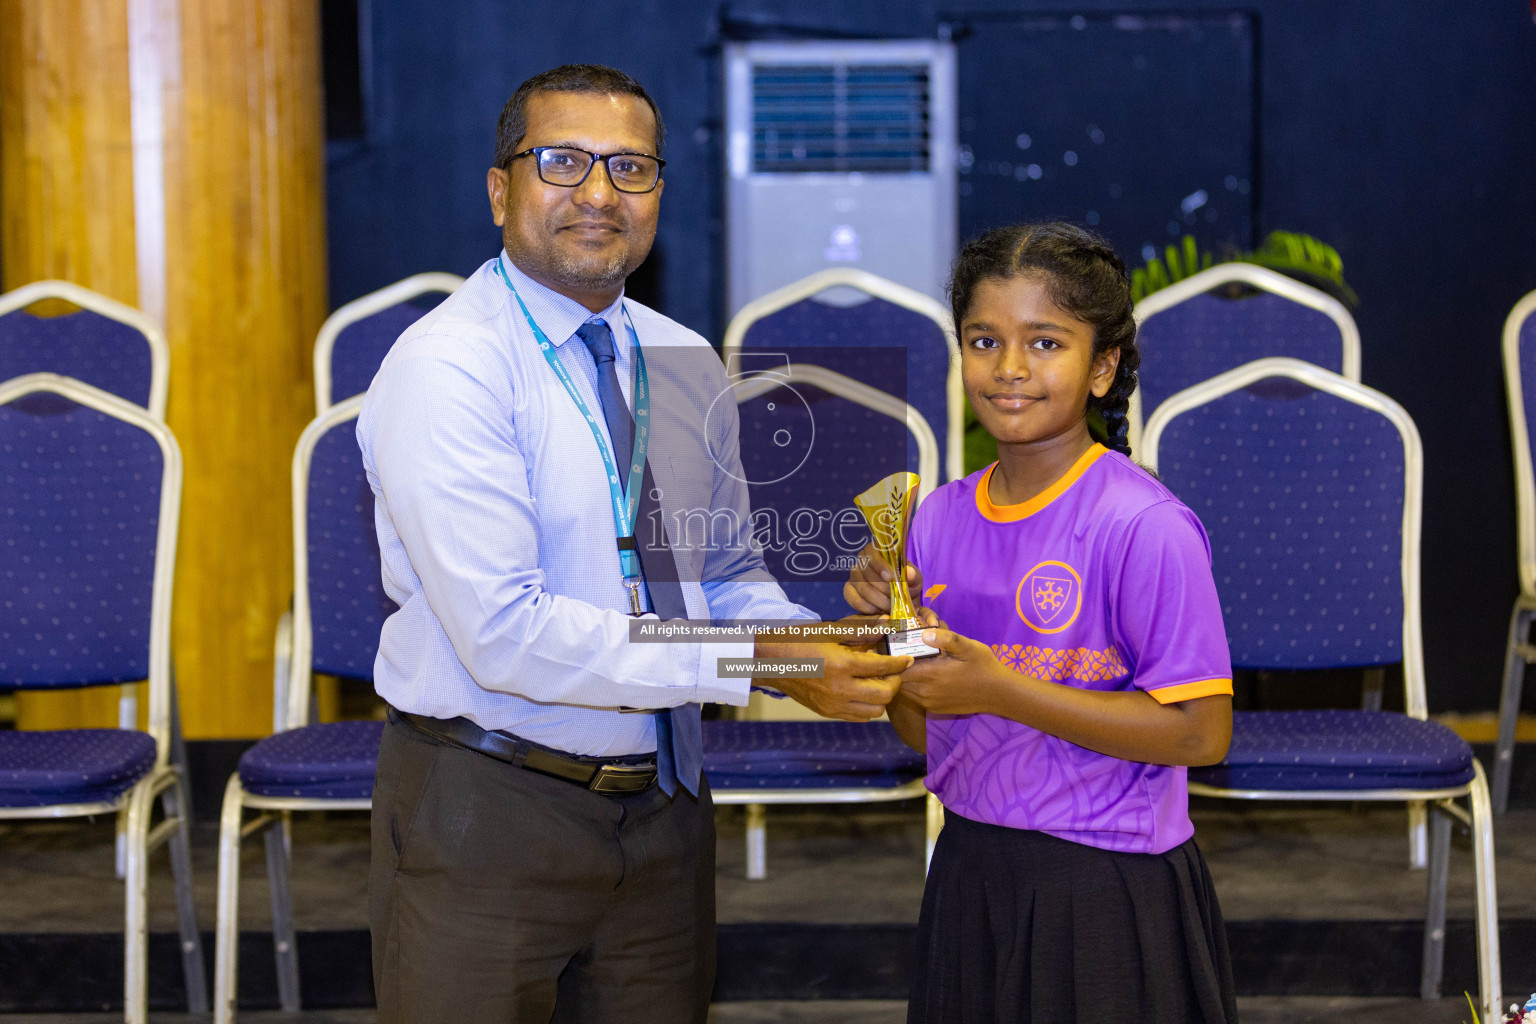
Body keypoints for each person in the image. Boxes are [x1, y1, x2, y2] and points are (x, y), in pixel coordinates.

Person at [358, 63, 908, 1024]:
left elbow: (725, 579)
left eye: (631, 168)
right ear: (500, 190)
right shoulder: (449, 367)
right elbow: (507, 633)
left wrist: (827, 644)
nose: (599, 194)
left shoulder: (682, 360)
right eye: (563, 162)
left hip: (663, 815)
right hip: (488, 805)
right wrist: (762, 665)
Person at [847, 223, 1238, 1024]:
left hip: (1108, 888)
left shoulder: (1145, 525)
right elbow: (924, 732)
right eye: (984, 340)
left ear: (1102, 369)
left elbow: (1201, 736)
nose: (1011, 368)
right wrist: (892, 635)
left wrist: (1002, 687)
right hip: (970, 871)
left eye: (1046, 342)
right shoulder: (936, 521)